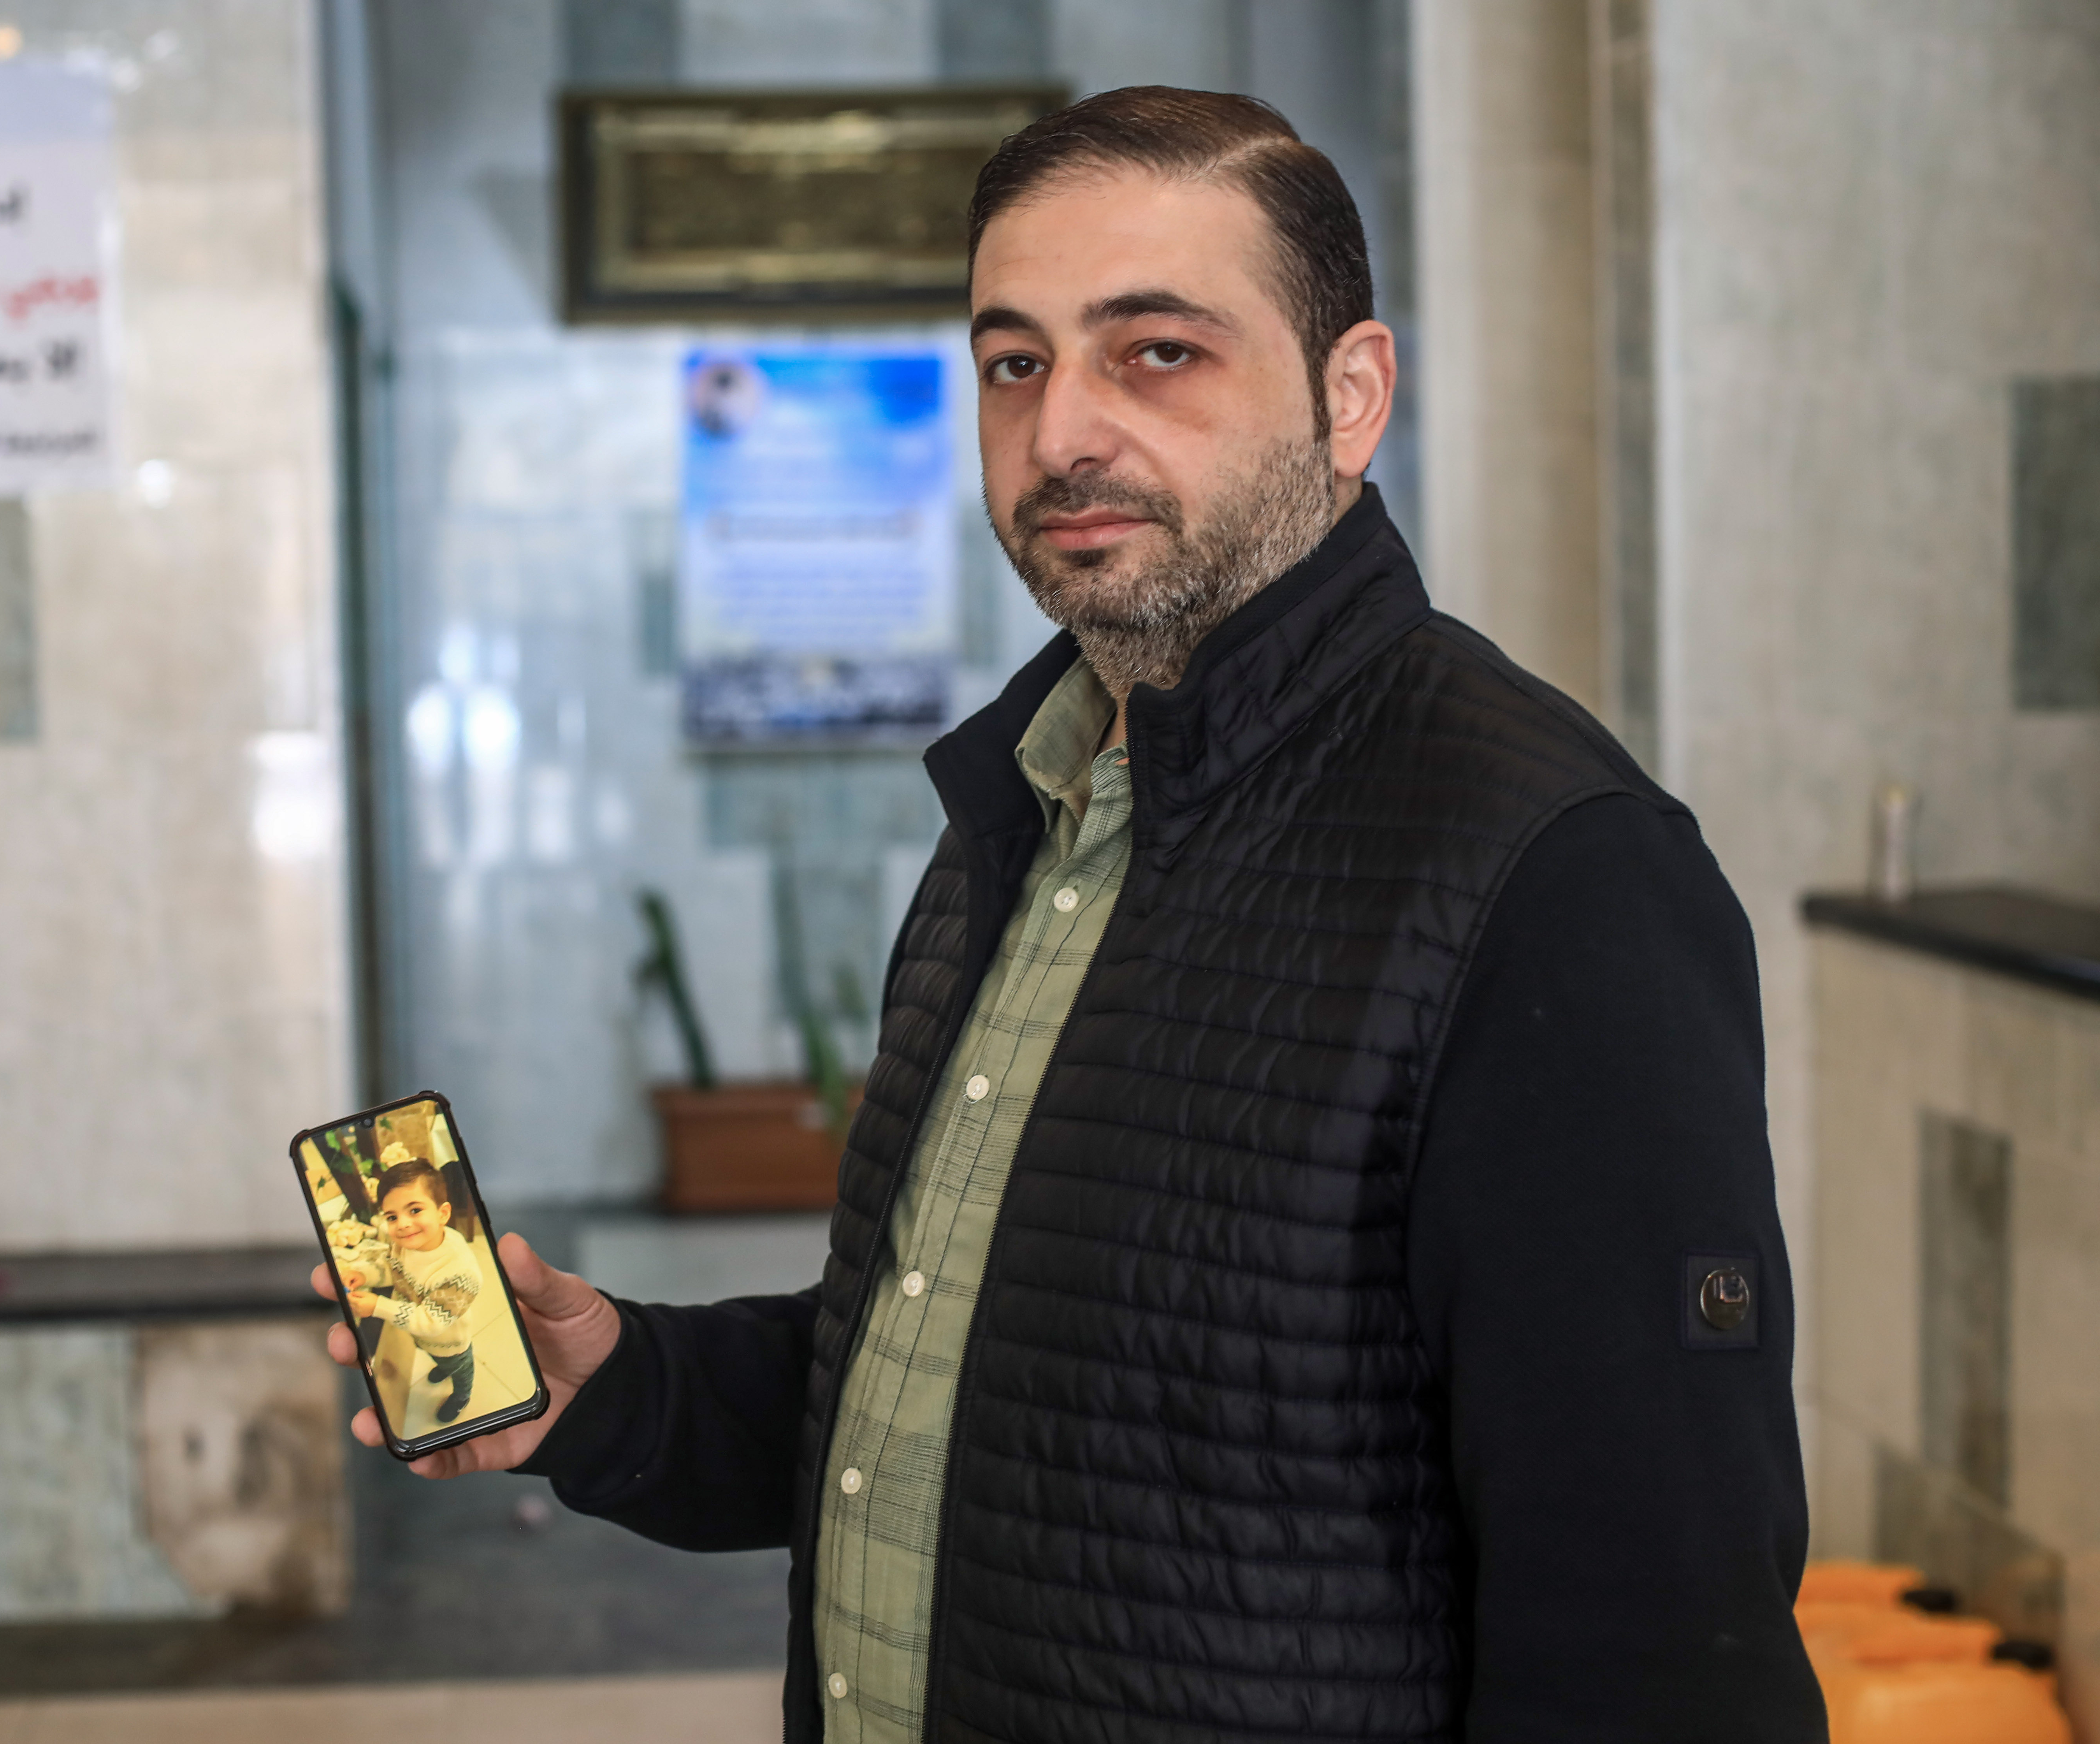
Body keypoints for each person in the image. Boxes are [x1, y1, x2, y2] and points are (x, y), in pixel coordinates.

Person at [316, 85, 1823, 1742]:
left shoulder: (1548, 870)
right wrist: (619, 1390)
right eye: (1012, 361)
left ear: (1349, 394)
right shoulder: (1021, 807)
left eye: (1154, 351)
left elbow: (1657, 1649)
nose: (1058, 432)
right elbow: (968, 1363)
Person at [342, 1156, 482, 1427]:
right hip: (424, 1337)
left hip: (451, 1341)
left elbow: (431, 1322)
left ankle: (462, 1396)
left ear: (443, 1214)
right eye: (393, 1217)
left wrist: (378, 1307)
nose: (403, 1224)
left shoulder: (461, 1272)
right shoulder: (406, 1244)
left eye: (415, 1210)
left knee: (460, 1370)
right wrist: (364, 1274)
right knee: (434, 1356)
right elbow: (391, 1270)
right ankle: (441, 1367)